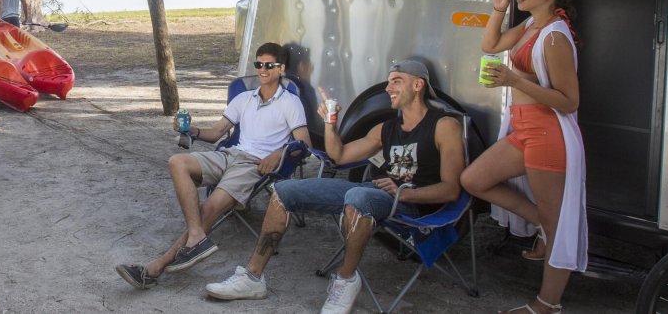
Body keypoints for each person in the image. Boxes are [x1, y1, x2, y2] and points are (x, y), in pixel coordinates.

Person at [203, 59, 463, 314]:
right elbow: (339, 156)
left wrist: (406, 192)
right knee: (284, 192)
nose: (388, 88)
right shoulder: (386, 128)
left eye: (397, 81)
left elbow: (451, 190)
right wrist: (330, 123)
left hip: (410, 204)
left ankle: (346, 280)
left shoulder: (443, 125)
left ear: (418, 85)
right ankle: (253, 277)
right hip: (374, 193)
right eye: (389, 82)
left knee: (358, 196)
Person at [114, 42, 310, 290]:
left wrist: (279, 153)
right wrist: (191, 130)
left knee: (210, 207)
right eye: (258, 64)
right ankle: (196, 236)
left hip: (254, 164)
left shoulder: (290, 102)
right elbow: (217, 132)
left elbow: (304, 143)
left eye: (268, 65)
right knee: (177, 162)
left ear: (280, 68)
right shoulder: (244, 98)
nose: (262, 69)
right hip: (230, 154)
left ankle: (154, 268)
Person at [460, 0, 587, 314]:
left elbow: (570, 101)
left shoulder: (554, 37)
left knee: (559, 223)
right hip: (524, 128)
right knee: (474, 179)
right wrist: (498, 8)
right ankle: (541, 226)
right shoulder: (532, 25)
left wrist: (515, 80)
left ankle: (547, 304)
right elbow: (491, 45)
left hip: (548, 133)